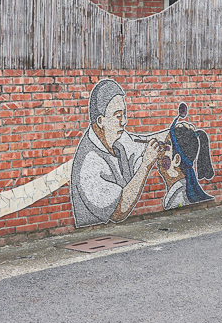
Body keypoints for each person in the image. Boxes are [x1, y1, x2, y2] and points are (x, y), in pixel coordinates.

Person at [68, 79, 169, 227]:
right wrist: (145, 165)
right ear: (101, 121)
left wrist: (175, 132)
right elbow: (119, 211)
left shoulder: (116, 138)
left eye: (124, 114)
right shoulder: (89, 162)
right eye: (118, 115)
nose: (124, 121)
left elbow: (144, 141)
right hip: (98, 233)